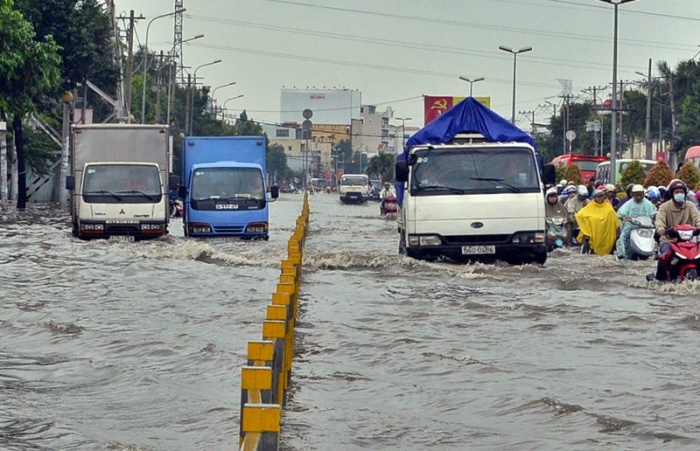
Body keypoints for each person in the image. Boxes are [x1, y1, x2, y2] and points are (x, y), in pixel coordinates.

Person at [651, 179, 700, 280]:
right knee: (664, 256)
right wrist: (661, 229)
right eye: (677, 192)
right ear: (672, 194)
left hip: (689, 241)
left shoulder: (690, 206)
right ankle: (659, 280)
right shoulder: (664, 207)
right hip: (669, 240)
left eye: (681, 192)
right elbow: (659, 220)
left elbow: (697, 218)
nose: (679, 194)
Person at [615, 184, 657, 260]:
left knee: (655, 236)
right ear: (633, 194)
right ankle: (623, 254)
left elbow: (654, 213)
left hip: (646, 226)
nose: (638, 197)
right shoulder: (628, 204)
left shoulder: (648, 204)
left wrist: (654, 219)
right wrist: (624, 217)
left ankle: (654, 252)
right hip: (631, 225)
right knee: (624, 236)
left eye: (640, 194)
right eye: (636, 195)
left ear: (643, 194)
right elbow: (620, 214)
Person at [575, 188, 620, 255]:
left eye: (601, 196)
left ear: (604, 196)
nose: (600, 198)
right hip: (594, 230)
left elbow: (613, 218)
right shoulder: (591, 205)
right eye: (598, 196)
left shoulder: (608, 206)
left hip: (606, 231)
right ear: (595, 197)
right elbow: (580, 214)